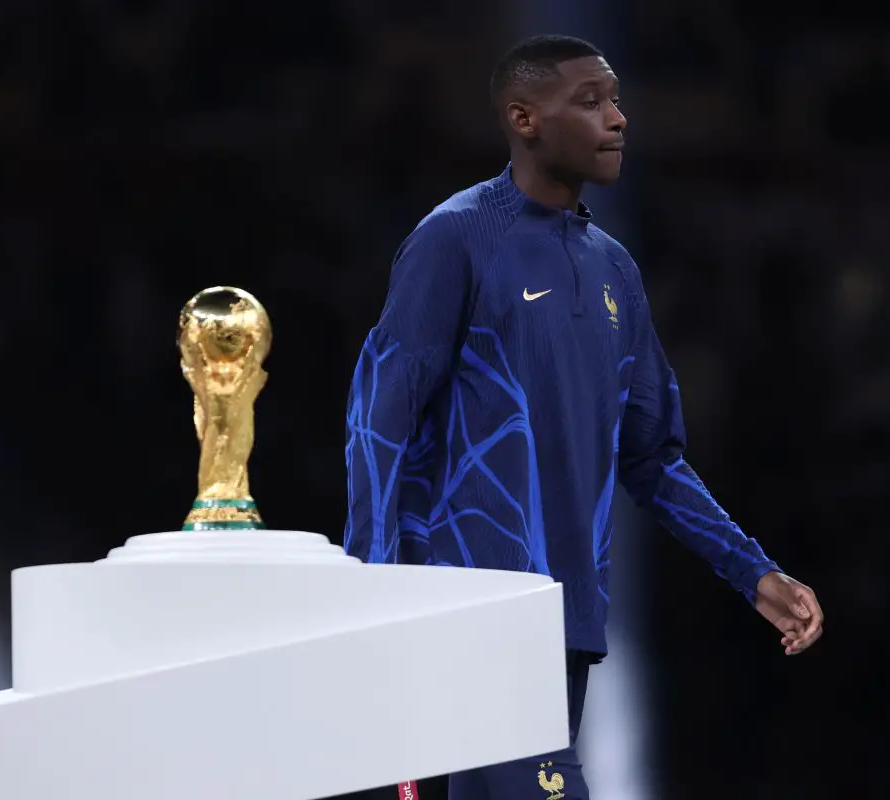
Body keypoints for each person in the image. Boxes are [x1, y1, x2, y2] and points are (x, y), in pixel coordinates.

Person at [344, 34, 824, 799]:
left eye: (617, 99)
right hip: (472, 607)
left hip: (564, 624)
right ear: (524, 119)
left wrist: (751, 569)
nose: (618, 118)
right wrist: (370, 585)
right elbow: (380, 413)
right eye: (590, 102)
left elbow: (653, 457)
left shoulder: (614, 269)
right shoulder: (456, 239)